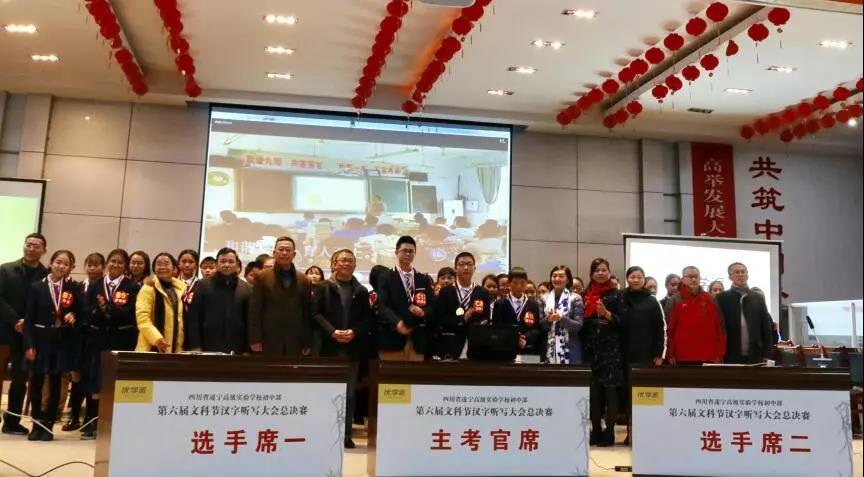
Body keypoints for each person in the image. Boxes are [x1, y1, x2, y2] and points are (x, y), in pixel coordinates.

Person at [311, 249, 373, 448]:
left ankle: (345, 434)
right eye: (342, 260)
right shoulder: (322, 287)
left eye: (350, 261)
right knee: (326, 391)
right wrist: (332, 332)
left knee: (349, 394)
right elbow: (314, 314)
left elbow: (368, 319)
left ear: (355, 265)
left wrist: (354, 332)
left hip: (351, 349)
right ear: (333, 264)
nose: (346, 263)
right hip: (327, 348)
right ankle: (322, 432)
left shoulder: (361, 291)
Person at [79, 248, 140, 440]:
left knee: (115, 381)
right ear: (107, 264)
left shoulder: (132, 286)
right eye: (113, 261)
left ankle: (113, 423)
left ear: (125, 266)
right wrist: (100, 310)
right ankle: (91, 421)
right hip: (97, 338)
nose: (116, 265)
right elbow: (86, 310)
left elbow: (131, 313)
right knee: (94, 380)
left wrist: (109, 308)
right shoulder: (96, 284)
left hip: (120, 338)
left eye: (120, 262)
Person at [24, 250, 81, 441]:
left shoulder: (72, 287)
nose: (61, 266)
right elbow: (29, 319)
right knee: (37, 383)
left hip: (61, 341)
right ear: (50, 263)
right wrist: (29, 344)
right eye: (58, 262)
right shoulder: (36, 287)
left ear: (70, 267)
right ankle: (36, 424)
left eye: (66, 264)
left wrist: (74, 315)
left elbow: (79, 311)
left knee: (56, 383)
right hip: (40, 339)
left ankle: (48, 425)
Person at [0, 233, 49, 436]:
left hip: (27, 335)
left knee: (20, 379)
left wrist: (26, 323)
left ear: (44, 250)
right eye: (28, 244)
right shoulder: (5, 269)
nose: (31, 248)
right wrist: (15, 320)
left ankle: (11, 422)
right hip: (4, 331)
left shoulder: (46, 275)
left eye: (36, 246)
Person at [620, 265, 667, 445]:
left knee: (644, 395)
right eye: (632, 276)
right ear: (627, 279)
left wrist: (659, 354)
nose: (636, 280)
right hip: (623, 353)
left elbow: (661, 328)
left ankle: (646, 433)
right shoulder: (620, 297)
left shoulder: (652, 300)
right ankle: (630, 432)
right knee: (626, 395)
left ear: (644, 279)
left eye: (639, 277)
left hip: (646, 355)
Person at [582, 258, 624, 447]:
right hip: (591, 350)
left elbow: (625, 322)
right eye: (597, 270)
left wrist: (607, 314)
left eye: (604, 270)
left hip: (611, 350)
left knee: (610, 392)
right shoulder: (585, 294)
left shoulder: (617, 295)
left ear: (609, 272)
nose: (600, 273)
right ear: (591, 274)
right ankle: (596, 430)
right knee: (594, 393)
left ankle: (610, 432)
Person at [248, 236, 313, 357]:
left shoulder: (304, 280)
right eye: (281, 249)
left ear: (294, 254)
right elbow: (254, 310)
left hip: (295, 340)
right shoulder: (262, 277)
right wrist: (255, 339)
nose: (284, 253)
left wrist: (307, 342)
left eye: (288, 250)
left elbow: (306, 314)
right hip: (268, 339)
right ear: (274, 253)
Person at [376, 236, 434, 361]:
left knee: (415, 372)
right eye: (404, 251)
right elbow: (382, 305)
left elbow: (432, 305)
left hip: (417, 337)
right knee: (391, 372)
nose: (408, 254)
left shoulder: (422, 278)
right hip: (392, 335)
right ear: (396, 252)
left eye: (411, 251)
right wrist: (397, 322)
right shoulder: (385, 277)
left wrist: (423, 312)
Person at [186, 247, 252, 354]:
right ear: (217, 264)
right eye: (223, 261)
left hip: (238, 347)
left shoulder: (246, 289)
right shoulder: (202, 285)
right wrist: (195, 345)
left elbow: (250, 321)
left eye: (231, 262)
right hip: (207, 346)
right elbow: (193, 318)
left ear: (237, 265)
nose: (226, 265)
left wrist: (248, 349)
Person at [434, 252, 491, 360]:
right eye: (461, 264)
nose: (466, 267)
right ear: (455, 268)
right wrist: (462, 319)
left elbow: (486, 318)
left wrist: (479, 325)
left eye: (469, 264)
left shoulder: (482, 292)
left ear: (474, 268)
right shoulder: (446, 291)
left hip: (475, 345)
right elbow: (440, 319)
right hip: (451, 344)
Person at [664, 266, 726, 365]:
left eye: (696, 277)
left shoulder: (710, 299)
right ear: (683, 279)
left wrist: (720, 354)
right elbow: (668, 330)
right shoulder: (674, 300)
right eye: (690, 277)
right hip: (681, 357)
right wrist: (670, 354)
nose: (693, 279)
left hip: (709, 357)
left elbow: (720, 328)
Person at [716, 263, 774, 365]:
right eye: (737, 272)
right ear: (730, 277)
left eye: (743, 272)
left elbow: (766, 327)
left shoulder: (758, 297)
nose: (740, 274)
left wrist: (767, 353)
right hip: (730, 354)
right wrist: (718, 354)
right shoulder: (721, 298)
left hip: (756, 354)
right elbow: (718, 327)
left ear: (747, 275)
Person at [135, 253, 186, 353]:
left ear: (174, 268)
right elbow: (142, 319)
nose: (162, 267)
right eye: (158, 264)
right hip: (151, 345)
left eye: (166, 264)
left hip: (175, 346)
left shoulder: (181, 289)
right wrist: (157, 339)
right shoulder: (148, 288)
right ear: (154, 268)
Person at [491, 267, 544, 362]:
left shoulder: (533, 304)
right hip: (506, 351)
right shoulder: (500, 303)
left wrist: (525, 338)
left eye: (522, 283)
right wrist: (514, 338)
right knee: (507, 371)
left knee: (528, 371)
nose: (519, 286)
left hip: (528, 350)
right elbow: (497, 328)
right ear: (509, 283)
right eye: (515, 283)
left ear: (526, 283)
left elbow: (536, 328)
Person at [544, 265, 583, 364]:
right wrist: (548, 320)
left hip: (570, 348)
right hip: (548, 348)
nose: (557, 279)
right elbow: (540, 326)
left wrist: (561, 318)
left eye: (561, 276)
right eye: (554, 276)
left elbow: (578, 326)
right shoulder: (543, 298)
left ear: (568, 280)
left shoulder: (575, 298)